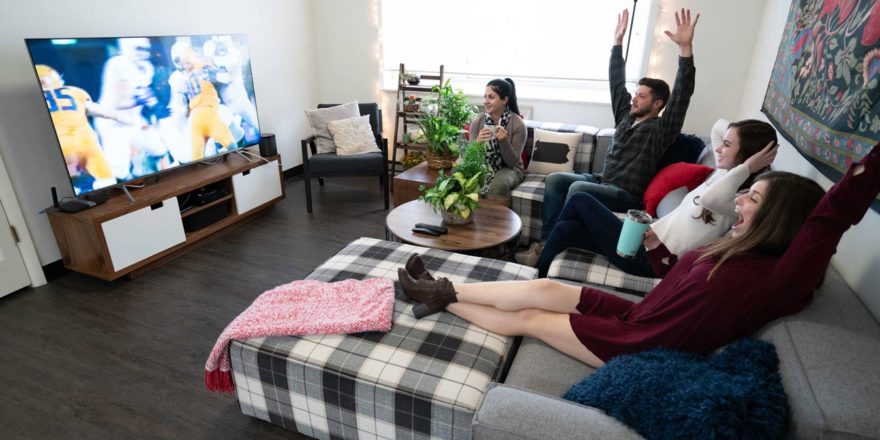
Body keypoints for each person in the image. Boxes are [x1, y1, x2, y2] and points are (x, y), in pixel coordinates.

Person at [397, 141, 880, 367]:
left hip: (642, 345)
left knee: (530, 316)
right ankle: (443, 288)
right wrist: (659, 252)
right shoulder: (735, 247)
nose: (739, 200)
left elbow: (831, 217)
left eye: (753, 198)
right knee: (545, 287)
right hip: (637, 315)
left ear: (782, 218)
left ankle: (439, 294)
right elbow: (678, 280)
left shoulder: (782, 279)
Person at [537, 8, 700, 249]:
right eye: (635, 94)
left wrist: (685, 50)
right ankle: (546, 240)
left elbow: (682, 94)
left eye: (641, 96)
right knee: (555, 180)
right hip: (602, 180)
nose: (634, 99)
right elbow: (616, 83)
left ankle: (557, 242)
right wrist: (617, 43)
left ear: (657, 104)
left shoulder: (662, 129)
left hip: (625, 194)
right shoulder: (626, 116)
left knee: (578, 188)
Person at [534, 119, 778, 278]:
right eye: (722, 144)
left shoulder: (739, 200)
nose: (718, 150)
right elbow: (717, 126)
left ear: (746, 157)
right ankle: (538, 273)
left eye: (726, 145)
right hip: (647, 240)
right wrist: (746, 157)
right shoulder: (722, 175)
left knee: (580, 199)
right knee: (567, 229)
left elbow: (711, 199)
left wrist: (747, 166)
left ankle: (537, 267)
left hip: (652, 260)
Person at [36, 64, 121, 193]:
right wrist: (118, 116)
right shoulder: (74, 91)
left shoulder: (32, 100)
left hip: (60, 146)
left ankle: (76, 193)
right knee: (107, 179)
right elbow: (98, 110)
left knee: (68, 187)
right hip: (85, 143)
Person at [468, 78, 527, 206]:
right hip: (483, 164)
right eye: (485, 96)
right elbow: (468, 158)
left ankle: (497, 223)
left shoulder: (518, 125)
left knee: (498, 184)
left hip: (511, 168)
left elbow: (512, 162)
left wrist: (503, 141)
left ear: (504, 100)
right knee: (460, 175)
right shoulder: (478, 122)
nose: (485, 101)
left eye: (491, 97)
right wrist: (477, 143)